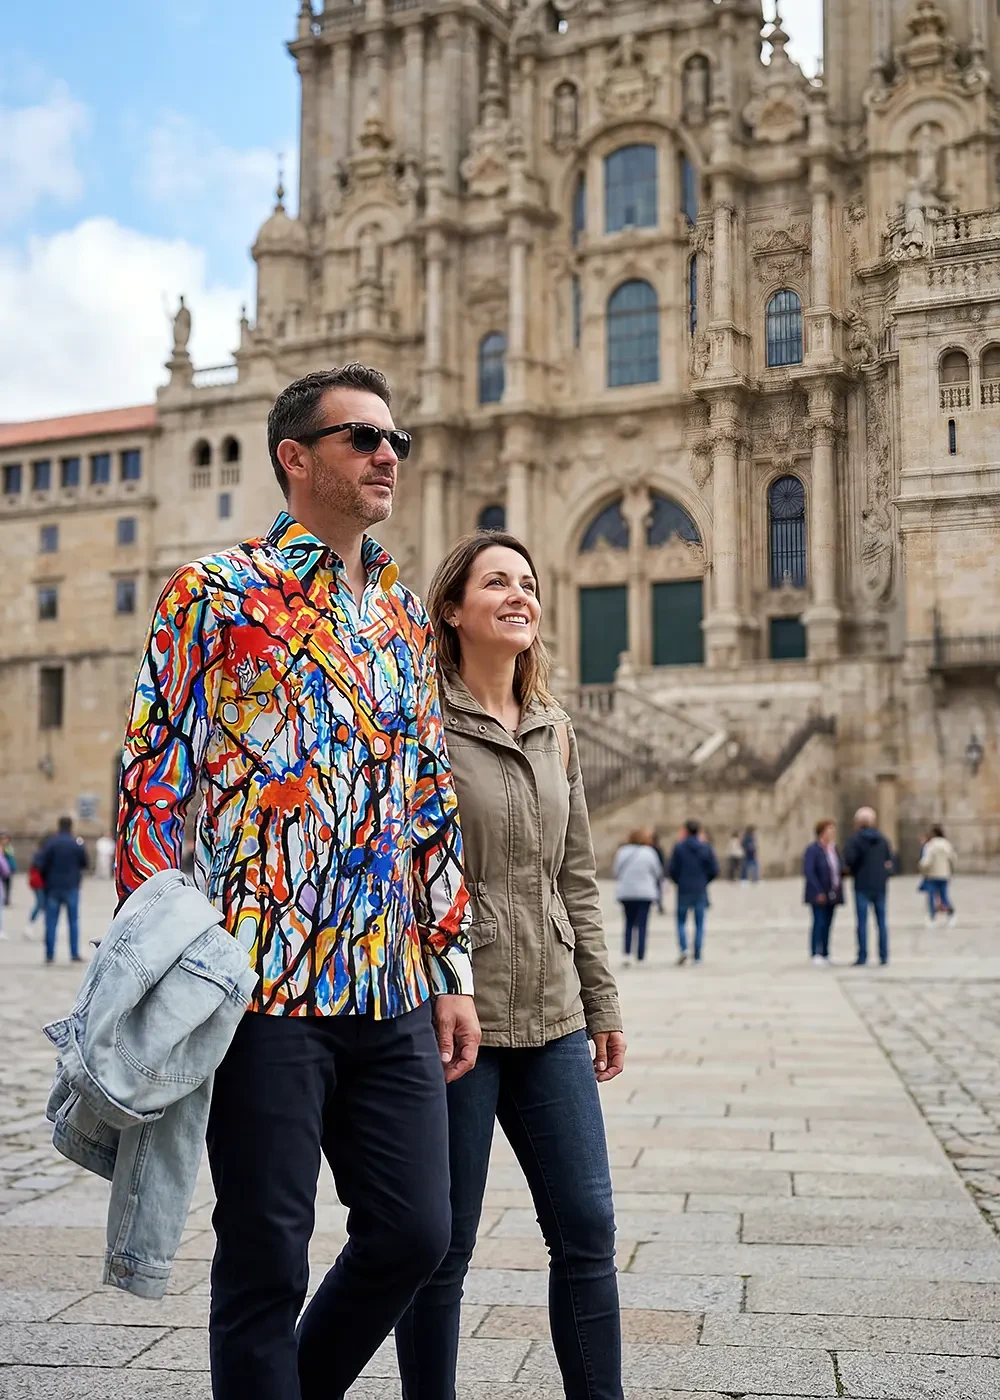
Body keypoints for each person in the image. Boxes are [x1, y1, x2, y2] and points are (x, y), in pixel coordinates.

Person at [116, 364, 480, 1400]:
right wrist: (167, 960)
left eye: (396, 440)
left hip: (389, 982)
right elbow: (152, 782)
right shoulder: (213, 593)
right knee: (265, 1257)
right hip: (261, 989)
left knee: (416, 1230)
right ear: (295, 457)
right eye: (363, 437)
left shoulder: (405, 615)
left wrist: (448, 964)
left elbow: (425, 798)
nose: (387, 455)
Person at [397, 531, 625, 1400]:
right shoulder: (418, 720)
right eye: (497, 582)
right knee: (443, 1246)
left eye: (528, 583)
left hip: (556, 1016)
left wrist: (602, 1002)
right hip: (456, 1019)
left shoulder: (555, 729)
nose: (518, 595)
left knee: (588, 1228)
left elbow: (577, 876)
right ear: (453, 608)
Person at [843, 806, 894, 967]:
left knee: (862, 922)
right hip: (880, 885)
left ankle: (862, 955)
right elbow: (889, 861)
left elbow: (849, 860)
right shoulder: (883, 840)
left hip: (862, 885)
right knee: (881, 922)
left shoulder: (855, 840)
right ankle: (884, 955)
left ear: (858, 823)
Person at [668, 820, 719, 966]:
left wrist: (679, 881)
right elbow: (714, 869)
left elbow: (672, 869)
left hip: (683, 888)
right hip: (700, 889)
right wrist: (704, 881)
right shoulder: (705, 848)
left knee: (681, 921)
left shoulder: (679, 847)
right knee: (699, 922)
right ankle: (697, 954)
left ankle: (684, 948)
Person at [37, 817, 88, 963]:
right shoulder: (76, 843)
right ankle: (74, 953)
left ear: (59, 826)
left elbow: (40, 863)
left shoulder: (51, 843)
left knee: (51, 921)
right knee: (73, 921)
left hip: (53, 886)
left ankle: (50, 954)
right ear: (71, 826)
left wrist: (47, 878)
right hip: (72, 886)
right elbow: (85, 862)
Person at [613, 829, 664, 967]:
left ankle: (627, 954)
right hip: (644, 893)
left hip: (627, 892)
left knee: (628, 924)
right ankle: (641, 956)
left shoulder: (622, 852)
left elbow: (616, 871)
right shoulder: (650, 853)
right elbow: (657, 872)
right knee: (642, 924)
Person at [803, 819, 844, 965]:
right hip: (818, 892)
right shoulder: (813, 850)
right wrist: (818, 891)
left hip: (832, 892)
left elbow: (838, 868)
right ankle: (815, 952)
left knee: (828, 923)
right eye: (829, 830)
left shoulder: (834, 849)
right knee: (818, 922)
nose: (832, 833)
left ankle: (826, 952)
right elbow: (809, 872)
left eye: (833, 830)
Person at [920, 824, 957, 928]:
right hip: (944, 875)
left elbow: (926, 861)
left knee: (932, 896)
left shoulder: (930, 845)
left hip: (932, 875)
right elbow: (953, 858)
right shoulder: (946, 844)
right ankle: (951, 914)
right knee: (944, 896)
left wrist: (922, 867)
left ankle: (932, 917)